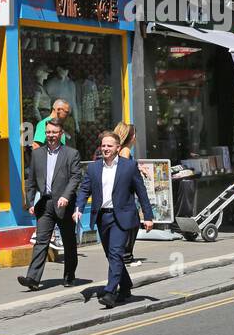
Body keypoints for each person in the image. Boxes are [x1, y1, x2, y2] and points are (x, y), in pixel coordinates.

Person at [77, 131, 154, 309]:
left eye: (109, 146)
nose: (105, 148)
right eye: (103, 145)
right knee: (111, 255)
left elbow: (141, 193)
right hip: (102, 216)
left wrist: (148, 217)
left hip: (122, 216)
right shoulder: (94, 168)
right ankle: (125, 285)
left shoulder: (129, 166)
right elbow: (84, 190)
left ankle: (110, 292)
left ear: (118, 148)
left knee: (115, 253)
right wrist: (78, 208)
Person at [18, 119, 83, 292]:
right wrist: (31, 202)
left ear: (61, 134)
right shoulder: (37, 154)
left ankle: (69, 275)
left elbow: (76, 178)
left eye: (54, 133)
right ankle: (32, 278)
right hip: (44, 204)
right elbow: (31, 180)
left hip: (64, 205)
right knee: (41, 241)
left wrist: (66, 196)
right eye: (48, 132)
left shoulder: (71, 154)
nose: (51, 136)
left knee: (69, 242)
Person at [113, 122, 141, 263]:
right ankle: (126, 257)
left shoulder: (121, 151)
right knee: (132, 223)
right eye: (135, 134)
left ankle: (125, 256)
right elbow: (124, 171)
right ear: (132, 137)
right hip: (124, 195)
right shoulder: (125, 151)